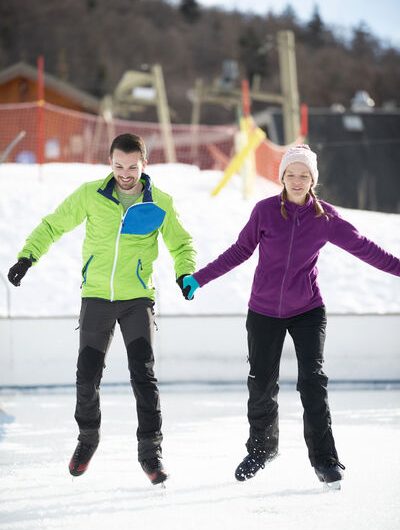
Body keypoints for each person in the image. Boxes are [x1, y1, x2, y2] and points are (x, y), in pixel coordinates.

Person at [182, 144, 400, 488]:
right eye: (291, 174)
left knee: (312, 382)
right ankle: (262, 450)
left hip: (307, 310)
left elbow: (365, 248)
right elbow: (240, 250)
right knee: (261, 384)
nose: (297, 180)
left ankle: (325, 460)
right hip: (264, 311)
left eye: (304, 175)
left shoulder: (325, 219)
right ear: (281, 176)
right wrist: (200, 278)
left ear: (313, 179)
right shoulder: (265, 211)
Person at [8, 133, 196, 485]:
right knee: (87, 375)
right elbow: (54, 224)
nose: (125, 173)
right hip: (96, 296)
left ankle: (150, 451)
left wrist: (185, 272)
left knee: (144, 376)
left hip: (137, 297)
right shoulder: (91, 195)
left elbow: (181, 242)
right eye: (118, 166)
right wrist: (27, 256)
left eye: (132, 166)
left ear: (144, 164)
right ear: (110, 163)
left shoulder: (159, 204)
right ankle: (88, 439)